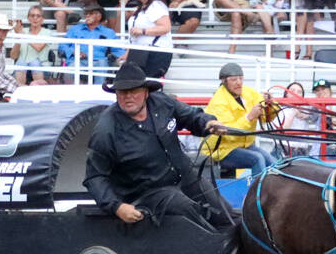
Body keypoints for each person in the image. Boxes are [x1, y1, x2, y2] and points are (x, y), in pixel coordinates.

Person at [85, 62, 232, 230]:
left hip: (184, 175)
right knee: (187, 211)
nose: (128, 97)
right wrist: (117, 207)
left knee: (225, 213)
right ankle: (212, 244)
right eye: (123, 92)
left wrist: (208, 122)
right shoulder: (105, 130)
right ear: (116, 94)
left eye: (134, 91)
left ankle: (233, 247)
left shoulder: (162, 102)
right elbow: (94, 177)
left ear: (146, 92)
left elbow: (191, 116)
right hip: (145, 193)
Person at [201, 62, 279, 176]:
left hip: (243, 145)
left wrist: (271, 104)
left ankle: (272, 191)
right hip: (221, 149)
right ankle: (257, 193)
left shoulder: (248, 93)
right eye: (234, 79)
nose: (239, 83)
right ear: (224, 81)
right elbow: (228, 132)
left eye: (241, 78)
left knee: (274, 163)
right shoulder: (218, 102)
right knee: (257, 159)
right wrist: (249, 117)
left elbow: (267, 118)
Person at [124, 0, 174, 79]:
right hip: (140, 51)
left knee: (143, 83)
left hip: (154, 51)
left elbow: (166, 27)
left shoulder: (155, 6)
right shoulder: (141, 8)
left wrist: (143, 31)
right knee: (134, 82)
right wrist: (128, 53)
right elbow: (134, 37)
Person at [61, 3, 125, 78]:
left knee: (102, 65)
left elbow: (118, 50)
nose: (87, 16)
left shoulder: (108, 32)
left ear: (99, 16)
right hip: (78, 61)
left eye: (90, 14)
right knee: (70, 70)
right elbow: (63, 45)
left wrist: (120, 57)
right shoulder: (75, 29)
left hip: (99, 62)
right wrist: (73, 51)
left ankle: (100, 89)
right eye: (86, 14)